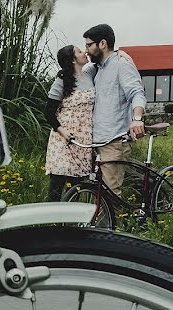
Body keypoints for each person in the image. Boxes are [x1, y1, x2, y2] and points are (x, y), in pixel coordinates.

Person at [83, 23, 147, 198]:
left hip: (114, 140)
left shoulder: (122, 64)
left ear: (102, 44)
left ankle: (113, 226)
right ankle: (147, 195)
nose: (86, 50)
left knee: (110, 196)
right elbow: (78, 71)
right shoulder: (96, 68)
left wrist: (137, 118)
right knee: (98, 193)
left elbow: (136, 93)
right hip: (97, 141)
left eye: (89, 45)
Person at [44, 45, 95, 202]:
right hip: (64, 139)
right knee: (57, 185)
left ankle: (71, 223)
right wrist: (63, 132)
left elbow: (105, 61)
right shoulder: (61, 81)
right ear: (73, 60)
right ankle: (52, 221)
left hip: (83, 139)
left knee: (77, 187)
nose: (84, 53)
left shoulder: (90, 73)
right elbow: (48, 112)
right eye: (79, 52)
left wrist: (121, 54)